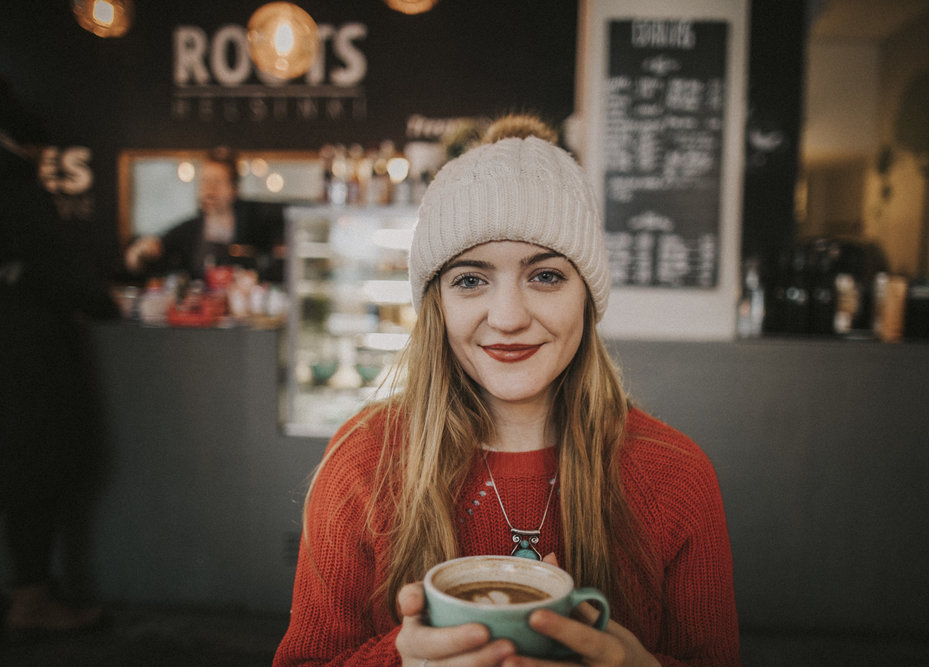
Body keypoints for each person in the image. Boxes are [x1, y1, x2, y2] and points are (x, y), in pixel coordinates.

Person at [273, 114, 739, 666]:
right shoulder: (363, 461)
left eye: (545, 276)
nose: (510, 317)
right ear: (436, 305)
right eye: (470, 280)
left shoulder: (674, 475)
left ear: (586, 298)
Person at [1, 78, 116, 638]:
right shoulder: (15, 185)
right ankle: (31, 599)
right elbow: (71, 279)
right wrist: (104, 300)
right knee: (33, 471)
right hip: (25, 364)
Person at [122, 147, 285, 283]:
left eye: (218, 182)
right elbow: (147, 263)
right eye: (205, 181)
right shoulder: (188, 230)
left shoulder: (257, 224)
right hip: (200, 315)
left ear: (234, 189)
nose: (210, 189)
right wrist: (138, 255)